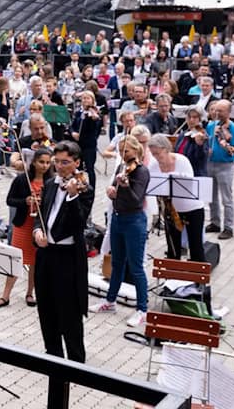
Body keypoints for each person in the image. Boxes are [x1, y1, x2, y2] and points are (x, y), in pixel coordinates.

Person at [32, 141, 93, 363]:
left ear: (77, 163)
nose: (59, 166)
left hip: (67, 258)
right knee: (46, 308)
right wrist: (38, 230)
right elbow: (41, 214)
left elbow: (78, 224)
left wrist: (73, 196)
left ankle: (76, 362)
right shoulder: (50, 184)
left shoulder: (85, 189)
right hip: (46, 254)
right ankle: (53, 356)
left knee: (69, 314)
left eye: (65, 162)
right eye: (56, 162)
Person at [91, 136, 150, 328]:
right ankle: (110, 301)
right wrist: (111, 191)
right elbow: (116, 193)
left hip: (134, 221)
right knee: (116, 263)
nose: (124, 156)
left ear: (136, 150)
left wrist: (124, 186)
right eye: (121, 151)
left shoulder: (141, 171)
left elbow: (136, 200)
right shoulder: (121, 168)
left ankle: (142, 309)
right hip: (117, 218)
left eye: (127, 151)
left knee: (136, 266)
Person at [0, 147, 52, 309]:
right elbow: (10, 200)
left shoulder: (51, 181)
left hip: (39, 226)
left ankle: (30, 293)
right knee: (16, 258)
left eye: (48, 162)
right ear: (33, 162)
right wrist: (25, 201)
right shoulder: (22, 179)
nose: (45, 166)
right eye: (41, 162)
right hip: (23, 224)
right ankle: (5, 295)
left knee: (34, 261)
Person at [147, 134, 206, 262]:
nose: (156, 157)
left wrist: (172, 177)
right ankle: (173, 278)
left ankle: (199, 279)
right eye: (153, 154)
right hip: (171, 208)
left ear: (166, 149)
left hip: (192, 208)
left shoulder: (182, 160)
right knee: (173, 247)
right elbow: (151, 185)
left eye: (158, 153)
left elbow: (190, 183)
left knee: (196, 246)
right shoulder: (153, 165)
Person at [205, 100, 234, 240]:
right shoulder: (211, 125)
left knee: (227, 198)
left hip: (225, 165)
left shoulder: (233, 128)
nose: (217, 113)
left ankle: (228, 227)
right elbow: (208, 141)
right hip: (210, 162)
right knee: (211, 196)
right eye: (216, 110)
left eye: (221, 111)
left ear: (228, 112)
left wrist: (225, 144)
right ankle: (215, 222)